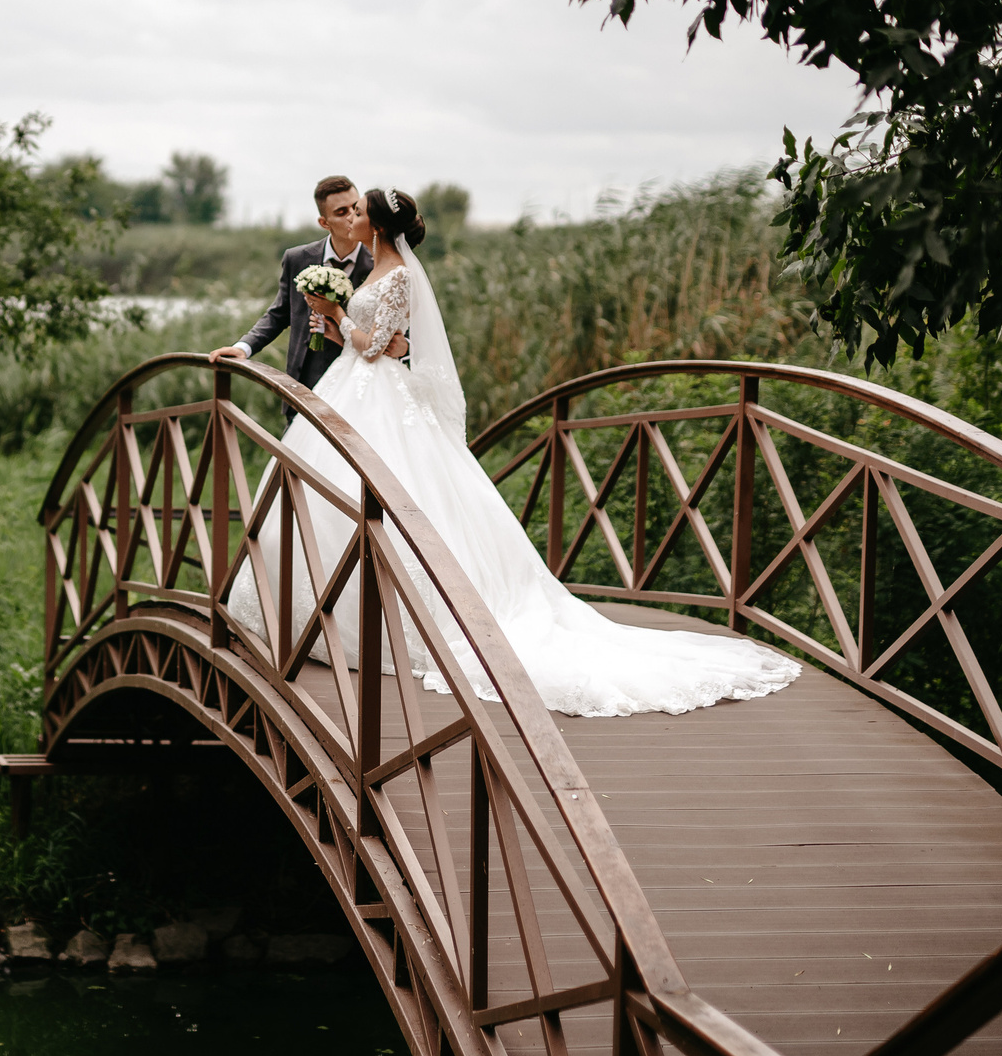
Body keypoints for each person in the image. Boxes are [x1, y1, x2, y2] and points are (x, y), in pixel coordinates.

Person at [224, 187, 800, 718]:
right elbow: (378, 340)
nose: (353, 217)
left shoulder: (397, 274)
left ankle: (379, 619)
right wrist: (342, 331)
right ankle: (313, 609)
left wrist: (339, 318)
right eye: (346, 211)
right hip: (353, 391)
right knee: (328, 487)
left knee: (389, 491)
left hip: (378, 394)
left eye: (360, 211)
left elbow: (375, 346)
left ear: (373, 224)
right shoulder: (375, 265)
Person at [214, 175, 395, 418]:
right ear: (324, 222)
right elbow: (278, 314)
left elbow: (396, 328)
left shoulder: (380, 266)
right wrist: (243, 348)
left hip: (357, 389)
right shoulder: (298, 258)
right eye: (341, 212)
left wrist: (404, 347)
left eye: (355, 207)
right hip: (302, 386)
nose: (351, 216)